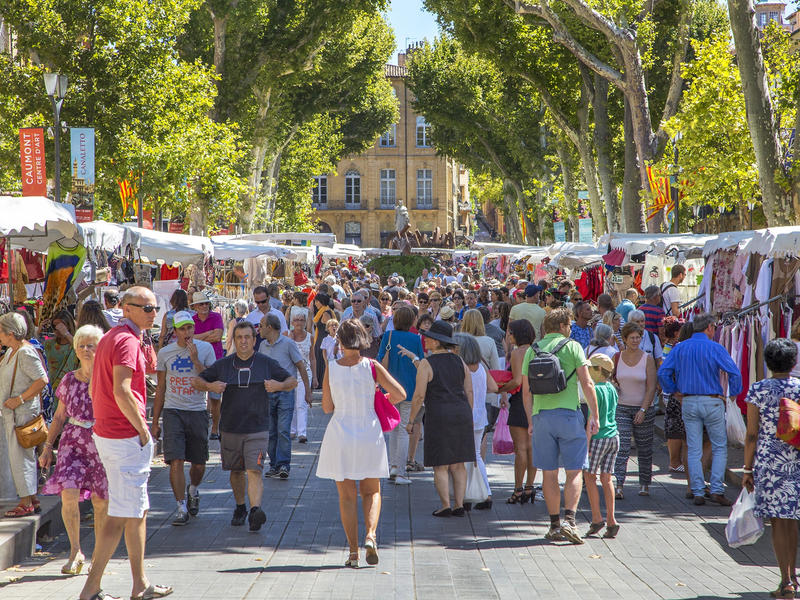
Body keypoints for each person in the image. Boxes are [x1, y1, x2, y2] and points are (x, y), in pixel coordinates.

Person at [79, 286, 172, 600]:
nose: (152, 314)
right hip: (123, 436)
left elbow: (97, 386)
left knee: (135, 511)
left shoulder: (112, 338)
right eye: (146, 308)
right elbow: (122, 390)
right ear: (125, 308)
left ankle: (139, 583)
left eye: (155, 308)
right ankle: (91, 588)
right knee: (121, 516)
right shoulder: (126, 341)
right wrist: (142, 429)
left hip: (112, 434)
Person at [317, 319, 406, 568]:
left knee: (346, 497)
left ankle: (353, 553)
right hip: (369, 430)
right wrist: (380, 396)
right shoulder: (372, 366)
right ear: (362, 339)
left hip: (340, 433)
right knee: (372, 490)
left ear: (341, 342)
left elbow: (326, 407)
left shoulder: (331, 368)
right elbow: (400, 394)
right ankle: (371, 535)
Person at [192, 321, 296, 531]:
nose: (243, 341)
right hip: (230, 428)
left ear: (254, 340)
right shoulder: (224, 364)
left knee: (254, 470)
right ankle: (241, 507)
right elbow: (197, 381)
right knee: (237, 471)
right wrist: (211, 386)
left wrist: (280, 386)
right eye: (239, 337)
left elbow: (292, 380)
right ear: (234, 340)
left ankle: (255, 510)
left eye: (247, 337)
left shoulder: (266, 363)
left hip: (258, 428)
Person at [521, 308, 599, 544]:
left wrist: (530, 420)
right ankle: (570, 521)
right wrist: (594, 415)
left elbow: (526, 391)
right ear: (565, 326)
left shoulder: (531, 350)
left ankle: (554, 523)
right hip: (569, 414)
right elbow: (587, 383)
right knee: (574, 470)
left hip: (541, 416)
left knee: (549, 472)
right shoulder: (572, 346)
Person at [39, 324, 109, 574]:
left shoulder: (108, 378)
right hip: (72, 441)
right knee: (68, 493)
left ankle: (99, 556)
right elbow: (58, 417)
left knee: (101, 501)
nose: (86, 349)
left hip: (101, 442)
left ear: (101, 348)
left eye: (91, 345)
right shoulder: (69, 380)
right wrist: (48, 447)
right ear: (76, 350)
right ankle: (75, 551)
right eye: (82, 345)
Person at [658, 313, 742, 506]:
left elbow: (663, 372)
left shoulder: (680, 348)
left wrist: (673, 391)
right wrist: (733, 394)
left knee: (693, 447)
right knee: (719, 446)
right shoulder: (715, 347)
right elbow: (734, 372)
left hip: (688, 401)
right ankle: (716, 489)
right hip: (712, 401)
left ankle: (697, 490)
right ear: (710, 327)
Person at [742, 339, 800, 599]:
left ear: (767, 362)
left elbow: (751, 434)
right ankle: (793, 577)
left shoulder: (758, 390)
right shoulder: (799, 388)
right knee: (792, 519)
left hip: (769, 462)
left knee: (777, 522)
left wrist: (746, 468)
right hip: (796, 459)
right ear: (793, 362)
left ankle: (785, 580)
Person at [153, 311, 216, 526]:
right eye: (182, 329)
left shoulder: (205, 349)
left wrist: (195, 359)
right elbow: (160, 387)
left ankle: (193, 489)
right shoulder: (165, 353)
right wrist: (155, 422)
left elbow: (212, 378)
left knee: (198, 464)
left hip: (197, 410)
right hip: (173, 411)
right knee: (176, 460)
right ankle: (180, 507)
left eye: (190, 327)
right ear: (176, 331)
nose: (187, 332)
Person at [407, 320, 474, 517]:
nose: (425, 339)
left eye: (429, 337)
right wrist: (468, 412)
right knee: (459, 463)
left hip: (439, 414)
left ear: (437, 342)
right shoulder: (460, 361)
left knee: (441, 464)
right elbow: (468, 390)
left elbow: (419, 395)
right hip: (461, 412)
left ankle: (446, 504)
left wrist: (411, 420)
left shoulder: (427, 364)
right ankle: (459, 504)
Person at [0, 312, 48, 517]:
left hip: (22, 413)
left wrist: (19, 399)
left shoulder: (25, 352)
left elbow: (42, 380)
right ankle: (31, 498)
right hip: (14, 413)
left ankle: (26, 501)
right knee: (19, 457)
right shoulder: (12, 352)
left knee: (21, 457)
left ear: (10, 333)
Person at [258, 314, 310, 479]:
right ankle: (274, 465)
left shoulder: (288, 344)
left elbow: (301, 366)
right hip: (267, 394)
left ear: (270, 328)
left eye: (261, 325)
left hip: (285, 392)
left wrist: (308, 392)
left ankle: (284, 465)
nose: (258, 329)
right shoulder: (262, 346)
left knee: (283, 430)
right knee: (271, 432)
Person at [378, 305, 424, 486]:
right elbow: (420, 364)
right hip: (410, 389)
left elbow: (381, 361)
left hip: (390, 389)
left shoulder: (388, 336)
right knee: (405, 429)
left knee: (393, 429)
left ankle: (393, 466)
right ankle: (401, 472)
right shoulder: (415, 339)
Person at [612, 322, 657, 498]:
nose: (635, 340)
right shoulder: (617, 357)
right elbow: (612, 379)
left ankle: (644, 483)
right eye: (632, 337)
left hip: (644, 408)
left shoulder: (648, 358)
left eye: (638, 337)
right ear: (625, 339)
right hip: (621, 407)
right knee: (621, 447)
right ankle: (619, 485)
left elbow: (651, 387)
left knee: (644, 449)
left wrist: (643, 410)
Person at [455, 333, 498, 510]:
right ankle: (485, 493)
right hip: (480, 416)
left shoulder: (460, 367)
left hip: (465, 415)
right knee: (476, 456)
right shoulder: (481, 367)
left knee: (461, 458)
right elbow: (494, 388)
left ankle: (466, 495)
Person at [498, 319, 536, 504]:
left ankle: (518, 489)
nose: (509, 336)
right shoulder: (538, 350)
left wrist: (500, 388)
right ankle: (530, 486)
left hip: (521, 400)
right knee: (531, 448)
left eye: (511, 333)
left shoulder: (516, 353)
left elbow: (518, 381)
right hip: (537, 401)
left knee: (520, 449)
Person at [583, 354, 620, 539]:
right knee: (607, 478)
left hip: (599, 436)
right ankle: (611, 520)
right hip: (614, 436)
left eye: (591, 367)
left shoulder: (595, 389)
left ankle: (597, 518)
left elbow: (592, 419)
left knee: (589, 476)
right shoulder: (612, 388)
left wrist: (586, 444)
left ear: (598, 370)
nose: (588, 371)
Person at [190, 292, 224, 441]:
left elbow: (217, 336)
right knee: (198, 396)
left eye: (206, 303)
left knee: (216, 397)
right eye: (201, 304)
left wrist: (200, 337)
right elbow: (189, 339)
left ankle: (215, 428)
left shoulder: (216, 317)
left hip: (215, 361)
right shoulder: (192, 320)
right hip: (196, 361)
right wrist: (208, 333)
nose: (204, 306)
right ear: (195, 306)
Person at [287, 307, 315, 443]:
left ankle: (302, 433)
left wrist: (315, 376)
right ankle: (292, 431)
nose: (299, 323)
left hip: (306, 373)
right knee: (290, 402)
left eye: (301, 320)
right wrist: (291, 339)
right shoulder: (287, 335)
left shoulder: (310, 337)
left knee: (302, 403)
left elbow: (313, 358)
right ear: (292, 322)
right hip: (291, 374)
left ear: (305, 322)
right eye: (296, 320)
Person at [43, 309, 79, 395]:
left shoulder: (76, 342)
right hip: (52, 388)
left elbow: (80, 350)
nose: (57, 329)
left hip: (70, 389)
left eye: (61, 326)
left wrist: (66, 333)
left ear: (69, 325)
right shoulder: (49, 344)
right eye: (54, 326)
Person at [312, 293, 336, 386]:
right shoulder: (322, 312)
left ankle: (322, 382)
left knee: (322, 361)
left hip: (323, 341)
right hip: (320, 339)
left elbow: (329, 329)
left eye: (316, 301)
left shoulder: (325, 313)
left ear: (321, 302)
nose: (315, 303)